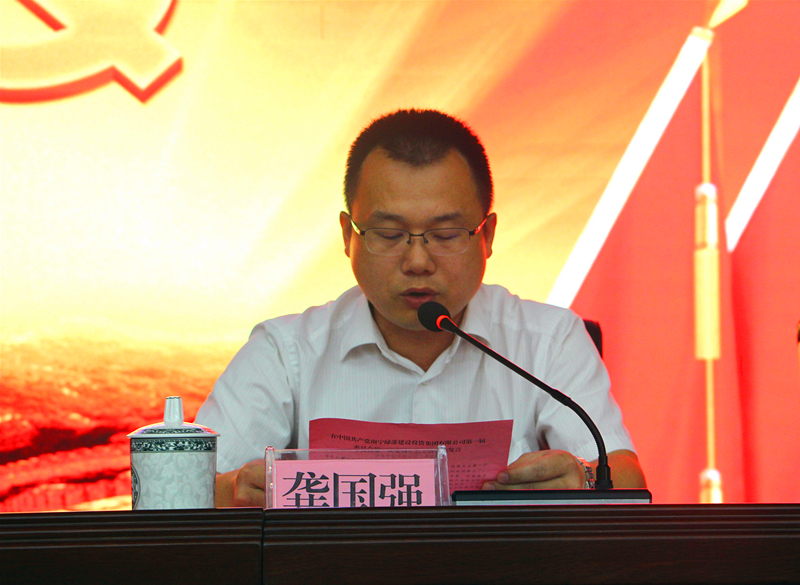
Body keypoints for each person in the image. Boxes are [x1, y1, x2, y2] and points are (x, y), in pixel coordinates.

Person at [195, 109, 646, 507]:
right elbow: (187, 491)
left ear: (487, 235)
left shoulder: (550, 340)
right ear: (349, 236)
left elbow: (626, 478)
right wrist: (235, 490)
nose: (417, 262)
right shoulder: (285, 352)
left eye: (446, 235)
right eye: (389, 235)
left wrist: (586, 480)